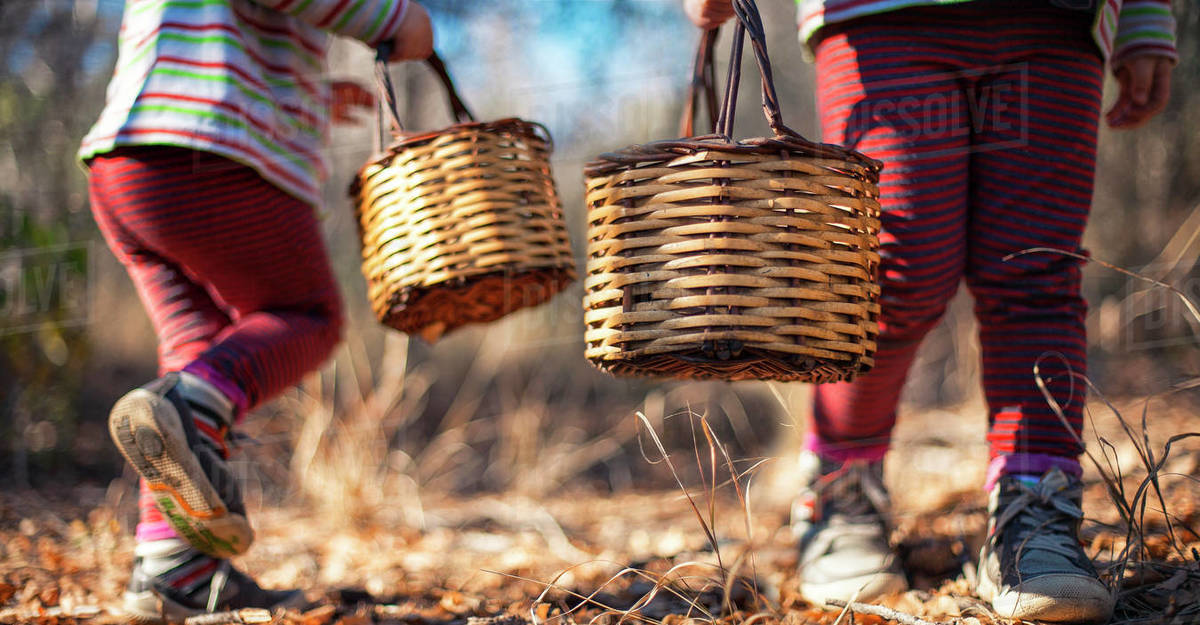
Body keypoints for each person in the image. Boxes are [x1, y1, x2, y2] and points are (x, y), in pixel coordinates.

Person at [683, 0, 1176, 622]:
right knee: (892, 271)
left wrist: (1146, 17)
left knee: (1038, 270)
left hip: (1058, 21)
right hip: (880, 20)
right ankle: (841, 488)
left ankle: (1037, 509)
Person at [81, 0, 433, 620]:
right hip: (214, 152)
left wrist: (309, 99)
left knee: (197, 349)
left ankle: (175, 570)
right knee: (307, 315)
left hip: (127, 166)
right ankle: (186, 410)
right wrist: (392, 19)